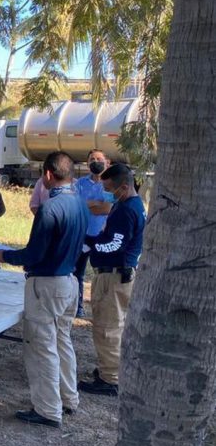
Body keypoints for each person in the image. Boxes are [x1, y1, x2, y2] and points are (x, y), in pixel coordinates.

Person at [0, 151, 89, 428]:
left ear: (47, 174)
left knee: (41, 346)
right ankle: (68, 398)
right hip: (70, 281)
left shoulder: (50, 208)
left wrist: (4, 255)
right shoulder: (80, 204)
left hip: (47, 284)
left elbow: (34, 254)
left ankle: (47, 410)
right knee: (62, 341)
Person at [78, 164, 145, 397]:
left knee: (107, 328)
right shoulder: (131, 204)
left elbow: (115, 244)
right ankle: (111, 368)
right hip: (121, 274)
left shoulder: (127, 210)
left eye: (108, 189)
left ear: (123, 187)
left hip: (114, 276)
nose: (105, 193)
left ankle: (110, 379)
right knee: (115, 326)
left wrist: (91, 245)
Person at [73, 149, 114, 318]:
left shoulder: (110, 184)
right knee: (77, 273)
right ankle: (77, 306)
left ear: (107, 162)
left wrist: (87, 204)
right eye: (92, 159)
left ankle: (103, 310)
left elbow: (106, 209)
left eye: (99, 159)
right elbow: (75, 205)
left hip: (103, 236)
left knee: (103, 274)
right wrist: (96, 203)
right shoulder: (80, 183)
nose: (95, 162)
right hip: (82, 234)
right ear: (87, 163)